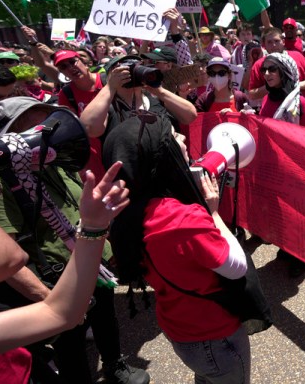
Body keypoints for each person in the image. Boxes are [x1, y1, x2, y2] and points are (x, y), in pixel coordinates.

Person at [0, 98, 149, 384]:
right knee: (70, 347)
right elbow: (9, 262)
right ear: (14, 133)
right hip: (57, 281)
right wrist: (47, 300)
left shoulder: (57, 162)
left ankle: (114, 365)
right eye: (38, 120)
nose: (50, 126)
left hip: (91, 266)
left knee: (106, 320)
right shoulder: (3, 182)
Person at [102, 115, 251, 384]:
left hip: (180, 327)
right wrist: (214, 214)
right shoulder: (181, 219)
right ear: (159, 157)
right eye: (172, 136)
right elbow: (237, 267)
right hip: (215, 334)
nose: (183, 138)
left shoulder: (126, 210)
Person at [80, 54, 197, 140]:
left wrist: (159, 91)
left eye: (137, 66)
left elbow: (190, 116)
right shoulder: (109, 106)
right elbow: (89, 128)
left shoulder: (155, 99)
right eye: (124, 68)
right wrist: (110, 87)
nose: (131, 72)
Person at [247, 27, 305, 101]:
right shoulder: (259, 64)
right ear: (264, 45)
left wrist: (295, 85)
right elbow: (252, 94)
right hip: (273, 109)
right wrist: (272, 86)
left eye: (276, 41)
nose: (274, 45)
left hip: (298, 106)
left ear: (283, 41)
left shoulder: (298, 56)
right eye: (269, 42)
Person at [257, 52, 305, 127]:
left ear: (284, 71)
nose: (267, 73)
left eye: (272, 69)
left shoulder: (299, 102)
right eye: (264, 70)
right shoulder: (266, 99)